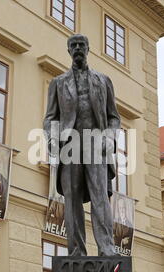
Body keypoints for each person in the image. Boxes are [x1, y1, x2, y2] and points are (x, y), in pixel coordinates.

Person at [43, 34, 121, 257]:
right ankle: (76, 251)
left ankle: (107, 248)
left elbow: (114, 117)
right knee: (72, 200)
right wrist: (52, 138)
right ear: (69, 50)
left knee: (100, 199)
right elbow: (50, 117)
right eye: (73, 45)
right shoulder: (58, 83)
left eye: (81, 45)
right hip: (69, 146)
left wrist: (109, 137)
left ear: (88, 49)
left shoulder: (103, 80)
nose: (77, 48)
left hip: (96, 144)